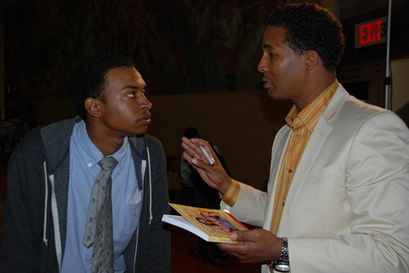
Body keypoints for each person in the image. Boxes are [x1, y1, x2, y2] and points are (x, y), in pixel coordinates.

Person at [181, 3, 409, 273]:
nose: (260, 65)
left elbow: (391, 253)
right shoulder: (286, 132)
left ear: (309, 60)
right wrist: (226, 185)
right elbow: (287, 209)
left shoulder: (372, 129)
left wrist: (283, 251)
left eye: (271, 54)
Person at [0, 55, 171, 273]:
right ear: (94, 107)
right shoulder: (39, 154)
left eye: (143, 92)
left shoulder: (149, 154)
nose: (146, 103)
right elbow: (18, 247)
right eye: (131, 94)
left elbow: (157, 235)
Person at [180, 127, 230, 265]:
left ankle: (218, 253)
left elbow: (185, 175)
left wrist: (190, 187)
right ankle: (206, 251)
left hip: (201, 191)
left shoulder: (187, 153)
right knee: (213, 220)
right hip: (215, 191)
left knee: (203, 221)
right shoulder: (211, 148)